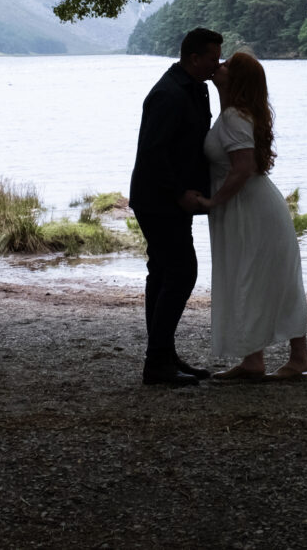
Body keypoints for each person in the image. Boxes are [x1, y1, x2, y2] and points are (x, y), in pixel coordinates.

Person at [197, 51, 307, 382]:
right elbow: (235, 152)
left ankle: (286, 357)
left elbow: (242, 168)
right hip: (259, 206)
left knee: (253, 276)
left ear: (236, 79)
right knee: (263, 278)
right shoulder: (241, 113)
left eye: (227, 65)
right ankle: (259, 359)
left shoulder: (235, 116)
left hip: (249, 208)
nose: (219, 66)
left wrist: (212, 201)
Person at [129, 27, 223, 386]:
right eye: (213, 58)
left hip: (166, 198)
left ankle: (163, 354)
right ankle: (156, 361)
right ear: (194, 58)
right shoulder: (169, 94)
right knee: (182, 271)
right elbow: (154, 152)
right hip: (159, 199)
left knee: (163, 272)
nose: (218, 64)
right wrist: (181, 191)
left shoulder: (194, 89)